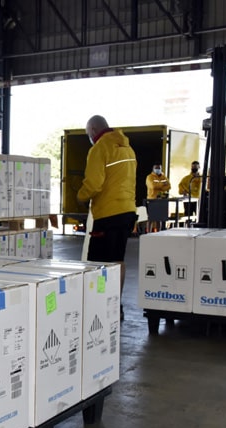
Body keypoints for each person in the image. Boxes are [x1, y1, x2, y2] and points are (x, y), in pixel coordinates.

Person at [77, 115, 137, 321]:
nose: (89, 137)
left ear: (93, 130)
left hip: (108, 214)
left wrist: (81, 197)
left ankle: (99, 305)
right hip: (127, 211)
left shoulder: (100, 148)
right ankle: (115, 305)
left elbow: (94, 183)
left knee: (97, 263)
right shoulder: (127, 148)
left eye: (88, 133)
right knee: (118, 260)